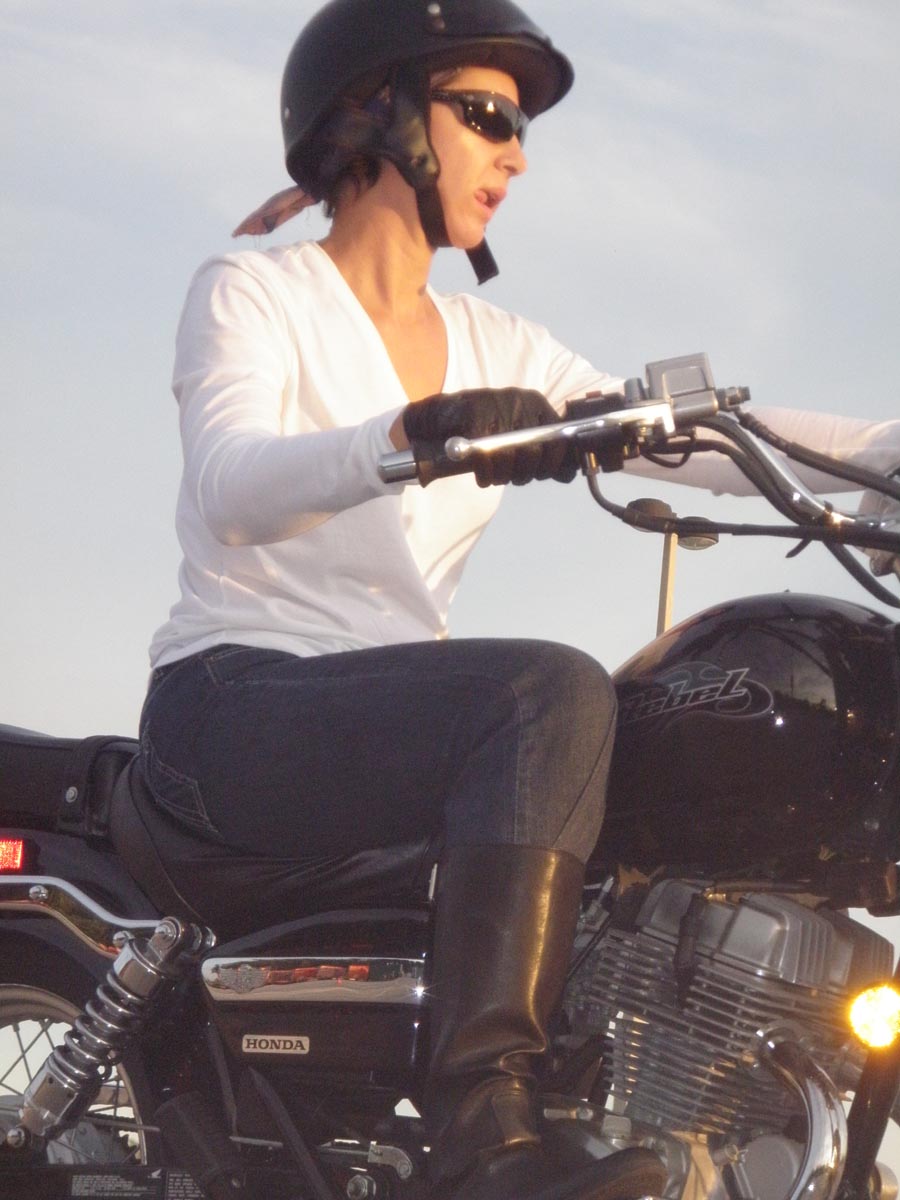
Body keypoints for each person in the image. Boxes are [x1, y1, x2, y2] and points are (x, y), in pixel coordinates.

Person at [138, 2, 900, 1197]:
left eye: (521, 128)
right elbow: (231, 489)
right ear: (378, 113)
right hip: (233, 706)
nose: (516, 155)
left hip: (391, 735)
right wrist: (412, 435)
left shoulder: (498, 342)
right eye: (488, 116)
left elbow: (693, 433)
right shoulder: (253, 290)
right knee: (550, 693)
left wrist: (886, 459)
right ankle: (481, 1134)